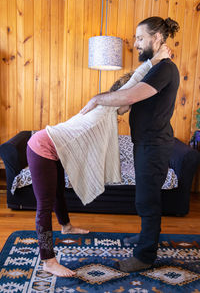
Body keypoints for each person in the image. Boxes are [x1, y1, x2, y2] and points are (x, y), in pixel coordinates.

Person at [27, 28, 171, 277]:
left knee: (58, 192)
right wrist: (154, 61)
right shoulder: (104, 111)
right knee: (44, 204)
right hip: (41, 148)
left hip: (52, 145)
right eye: (127, 101)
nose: (129, 105)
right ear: (118, 99)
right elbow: (131, 85)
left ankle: (67, 227)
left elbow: (131, 83)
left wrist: (155, 61)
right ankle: (48, 260)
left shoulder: (105, 112)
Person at [80, 16, 180, 272]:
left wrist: (97, 99)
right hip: (144, 142)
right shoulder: (153, 67)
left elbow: (131, 95)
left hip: (155, 144)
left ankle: (145, 256)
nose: (135, 43)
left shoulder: (165, 69)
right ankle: (146, 236)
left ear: (157, 38)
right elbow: (126, 104)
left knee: (148, 201)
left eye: (139, 37)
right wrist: (108, 104)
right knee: (143, 197)